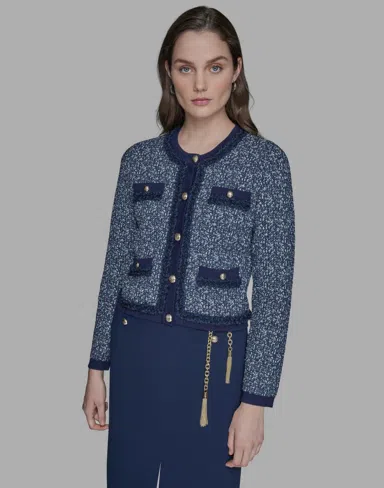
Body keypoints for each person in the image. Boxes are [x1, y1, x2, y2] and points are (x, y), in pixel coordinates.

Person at [82, 5, 295, 488]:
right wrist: (97, 366)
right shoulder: (138, 160)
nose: (200, 84)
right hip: (135, 353)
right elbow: (115, 266)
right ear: (168, 73)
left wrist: (256, 401)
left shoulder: (266, 165)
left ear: (236, 70)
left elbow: (275, 292)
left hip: (213, 367)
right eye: (186, 68)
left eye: (214, 67)